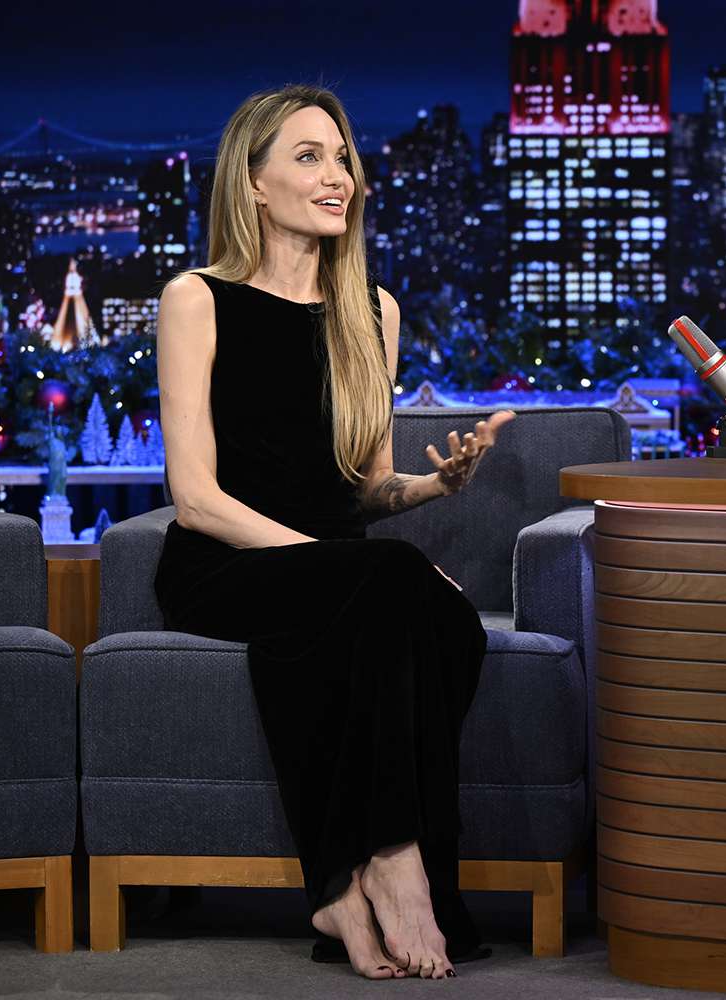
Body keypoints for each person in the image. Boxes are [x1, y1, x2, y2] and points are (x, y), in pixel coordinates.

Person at [154, 84, 514, 981]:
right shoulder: (197, 298)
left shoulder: (372, 311)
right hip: (223, 563)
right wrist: (359, 566)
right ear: (253, 181)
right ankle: (394, 857)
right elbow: (195, 499)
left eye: (343, 157)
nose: (337, 176)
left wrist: (435, 484)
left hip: (340, 569)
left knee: (451, 625)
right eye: (309, 156)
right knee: (392, 587)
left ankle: (338, 891)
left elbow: (364, 489)